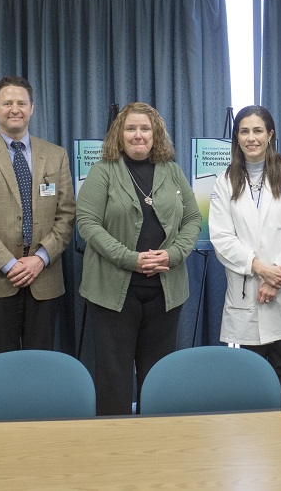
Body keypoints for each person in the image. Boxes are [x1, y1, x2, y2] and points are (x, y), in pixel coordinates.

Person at [76, 102, 201, 415]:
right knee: (114, 378)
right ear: (120, 134)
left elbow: (193, 218)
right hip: (112, 291)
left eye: (145, 128)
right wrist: (130, 259)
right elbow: (87, 223)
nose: (138, 135)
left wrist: (173, 254)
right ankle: (116, 446)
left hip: (164, 290)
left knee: (157, 377)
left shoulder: (172, 171)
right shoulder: (102, 170)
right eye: (130, 128)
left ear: (155, 134)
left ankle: (156, 446)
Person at [209, 105, 281, 408]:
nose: (251, 137)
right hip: (248, 288)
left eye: (258, 130)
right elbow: (221, 237)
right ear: (237, 137)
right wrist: (259, 268)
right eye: (244, 131)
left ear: (270, 135)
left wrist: (276, 276)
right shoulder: (225, 180)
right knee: (252, 370)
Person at [0, 76, 76, 356]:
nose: (15, 109)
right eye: (7, 103)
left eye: (21, 103)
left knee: (41, 362)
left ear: (32, 108)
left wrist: (40, 258)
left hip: (43, 277)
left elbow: (67, 213)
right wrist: (9, 264)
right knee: (1, 364)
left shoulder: (56, 155)